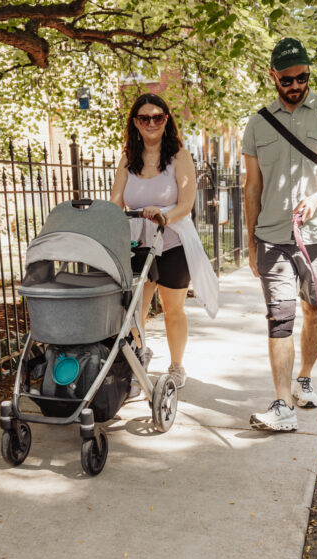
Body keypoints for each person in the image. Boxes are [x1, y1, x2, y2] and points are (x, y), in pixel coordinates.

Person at [242, 37, 317, 431]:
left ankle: (305, 379)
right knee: (280, 318)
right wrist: (250, 241)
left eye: (302, 77)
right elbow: (252, 188)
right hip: (273, 236)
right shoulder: (258, 123)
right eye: (287, 79)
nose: (295, 85)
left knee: (313, 311)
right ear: (273, 76)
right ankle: (281, 406)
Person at [110, 93, 218, 390]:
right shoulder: (127, 159)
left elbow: (186, 204)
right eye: (144, 118)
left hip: (172, 241)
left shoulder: (179, 156)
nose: (151, 123)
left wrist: (163, 216)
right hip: (138, 245)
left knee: (173, 309)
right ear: (135, 122)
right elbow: (115, 202)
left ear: (166, 120)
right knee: (136, 310)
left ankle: (176, 365)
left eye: (157, 117)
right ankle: (139, 359)